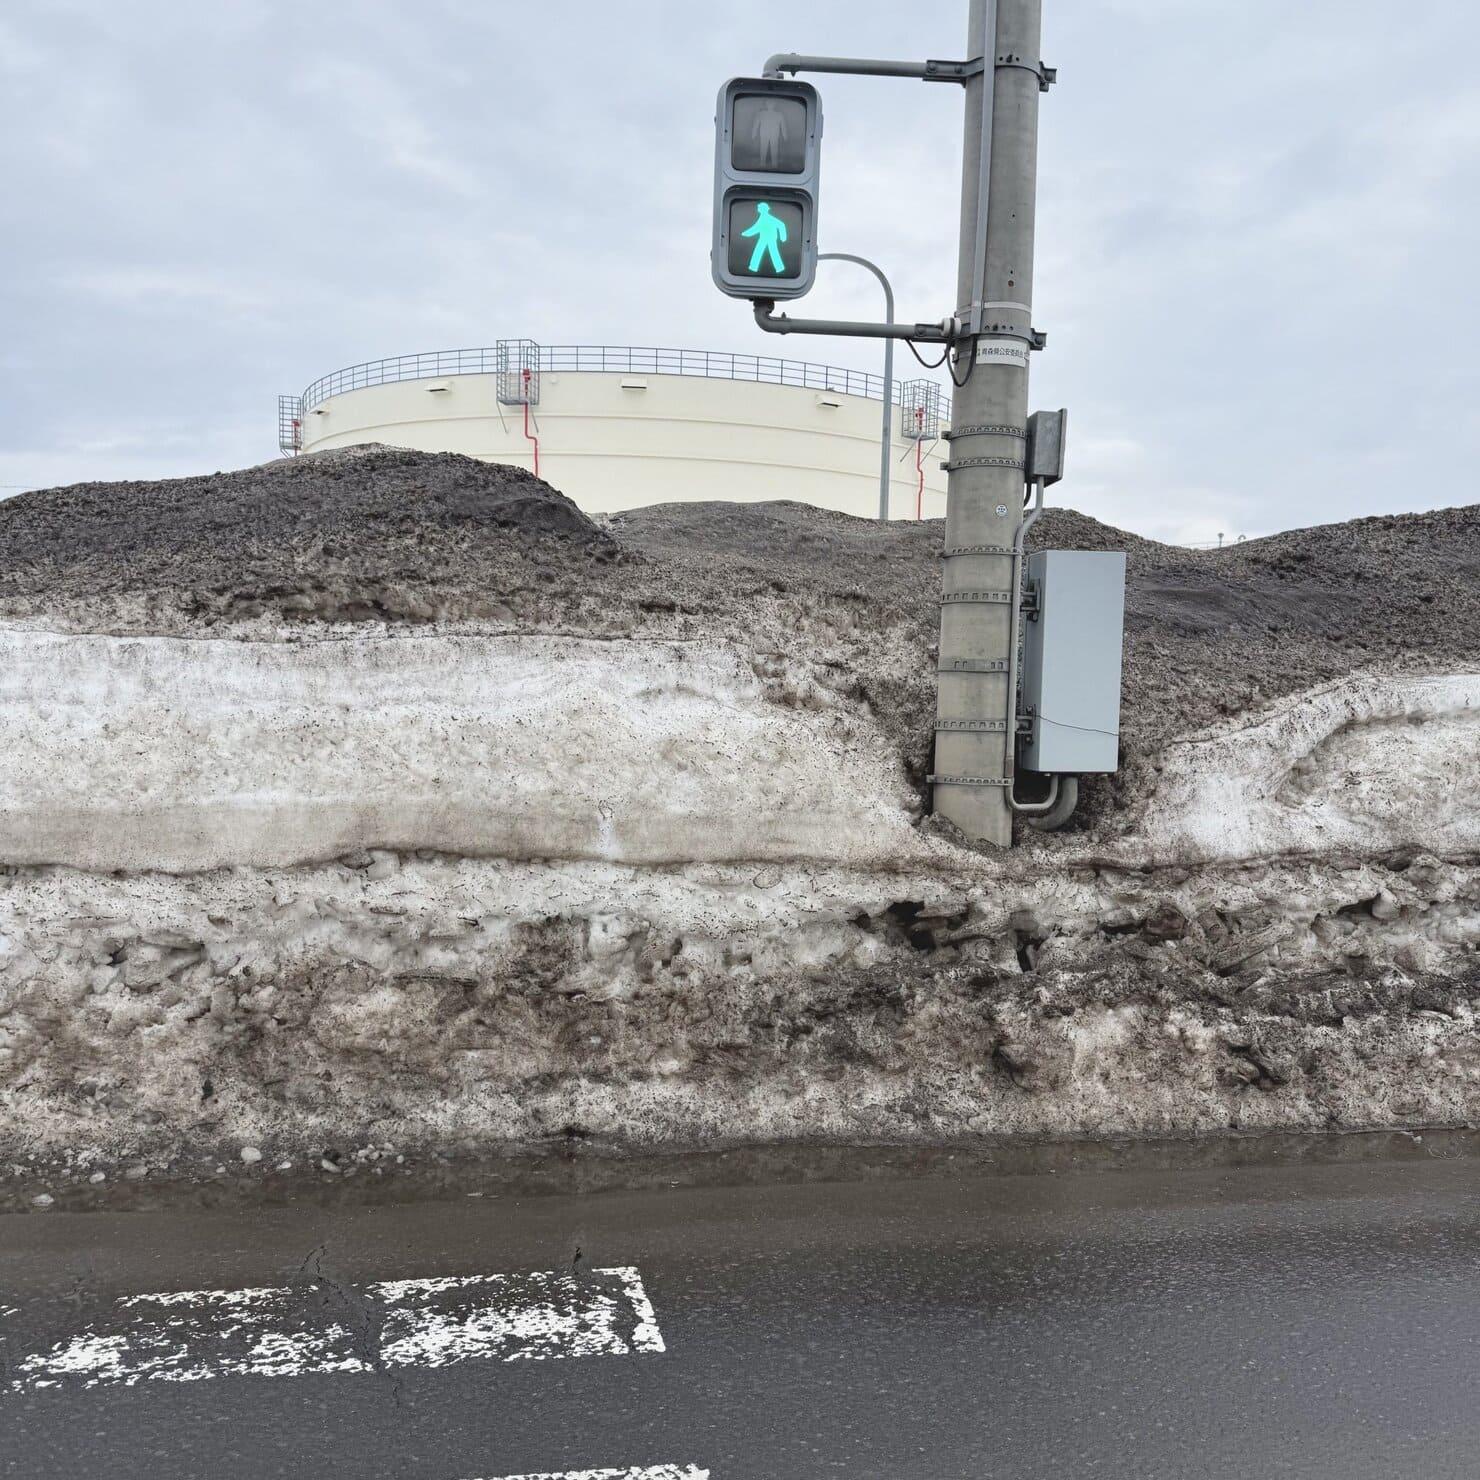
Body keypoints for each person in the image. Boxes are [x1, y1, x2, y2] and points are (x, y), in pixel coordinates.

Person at [741, 202, 788, 275]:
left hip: (770, 238)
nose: (758, 209)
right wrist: (746, 233)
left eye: (759, 208)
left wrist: (783, 237)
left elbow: (781, 225)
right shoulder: (762, 217)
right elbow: (756, 228)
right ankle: (754, 267)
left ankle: (779, 268)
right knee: (760, 252)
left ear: (764, 209)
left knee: (771, 252)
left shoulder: (768, 218)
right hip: (764, 238)